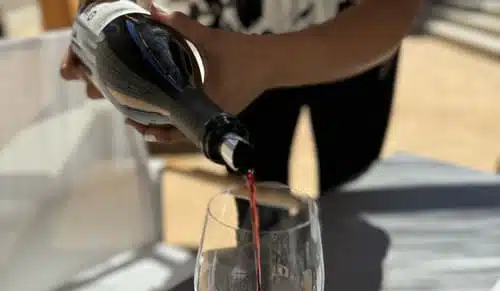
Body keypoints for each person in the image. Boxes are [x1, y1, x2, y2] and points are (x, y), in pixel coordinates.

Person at [61, 0, 422, 194]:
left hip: (348, 47)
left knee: (350, 191)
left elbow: (395, 7)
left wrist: (262, 62)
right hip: (226, 60)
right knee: (257, 215)